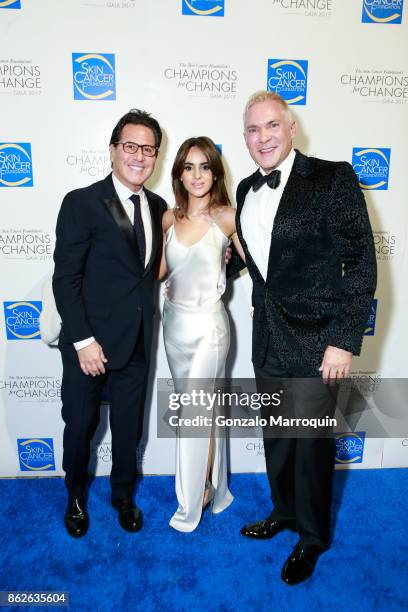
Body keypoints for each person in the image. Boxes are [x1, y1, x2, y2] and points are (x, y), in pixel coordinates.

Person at [230, 91, 376, 584]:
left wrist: (343, 339)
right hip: (268, 339)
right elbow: (261, 263)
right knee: (278, 440)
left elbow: (361, 264)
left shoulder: (333, 178)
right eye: (253, 130)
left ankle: (313, 538)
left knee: (311, 444)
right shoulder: (246, 189)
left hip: (318, 344)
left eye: (271, 126)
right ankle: (285, 512)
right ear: (245, 138)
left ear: (292, 128)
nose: (263, 137)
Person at [53, 109, 167, 537]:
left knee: (128, 428)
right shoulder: (82, 202)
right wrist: (83, 341)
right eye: (130, 146)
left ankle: (123, 495)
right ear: (114, 150)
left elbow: (156, 269)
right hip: (89, 344)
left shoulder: (158, 207)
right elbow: (66, 278)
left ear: (156, 155)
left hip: (137, 342)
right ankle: (76, 497)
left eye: (148, 149)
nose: (139, 156)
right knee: (80, 425)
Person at [159, 137, 245, 532]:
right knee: (197, 412)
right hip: (173, 327)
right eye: (189, 167)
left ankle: (190, 505)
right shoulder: (168, 219)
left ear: (215, 172)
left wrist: (223, 266)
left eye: (205, 166)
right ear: (179, 173)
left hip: (209, 330)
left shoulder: (227, 218)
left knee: (195, 416)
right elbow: (160, 271)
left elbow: (258, 261)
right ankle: (212, 485)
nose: (197, 175)